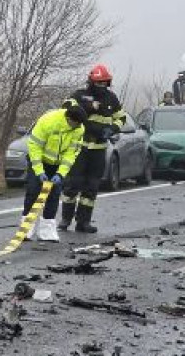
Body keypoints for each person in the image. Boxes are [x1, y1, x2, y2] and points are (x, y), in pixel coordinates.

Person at [59, 64, 126, 233]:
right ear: (91, 82)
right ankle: (66, 219)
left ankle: (84, 222)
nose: (102, 86)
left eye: (105, 83)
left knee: (91, 186)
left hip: (99, 148)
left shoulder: (111, 98)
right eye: (99, 83)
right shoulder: (80, 95)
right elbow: (66, 107)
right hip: (79, 148)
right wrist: (88, 106)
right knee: (73, 185)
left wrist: (113, 129)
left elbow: (121, 117)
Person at [21, 105, 86, 242]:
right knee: (33, 192)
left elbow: (71, 154)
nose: (78, 127)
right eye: (76, 124)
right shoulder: (48, 122)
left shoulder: (79, 129)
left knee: (54, 195)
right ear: (69, 119)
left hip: (57, 165)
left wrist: (61, 174)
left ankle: (46, 232)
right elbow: (34, 146)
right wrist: (39, 171)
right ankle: (26, 229)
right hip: (39, 160)